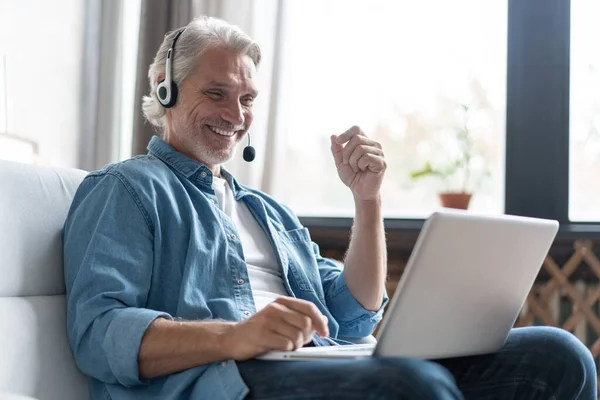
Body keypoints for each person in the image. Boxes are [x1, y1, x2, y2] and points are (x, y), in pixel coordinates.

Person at [63, 16, 597, 400]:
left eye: (247, 100)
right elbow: (98, 332)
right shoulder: (127, 188)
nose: (236, 114)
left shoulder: (268, 211)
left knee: (559, 352)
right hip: (225, 381)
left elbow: (352, 311)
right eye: (217, 93)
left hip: (315, 363)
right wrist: (238, 336)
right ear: (166, 91)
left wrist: (368, 202)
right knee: (412, 385)